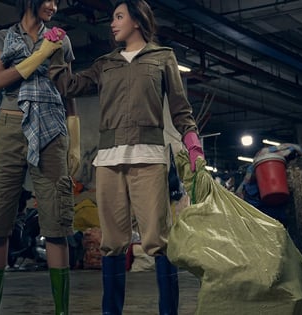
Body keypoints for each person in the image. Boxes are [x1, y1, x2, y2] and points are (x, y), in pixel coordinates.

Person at [49, 1, 204, 314]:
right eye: (112, 18)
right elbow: (67, 85)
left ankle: (168, 311)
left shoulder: (163, 58)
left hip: (149, 159)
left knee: (157, 241)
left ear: (137, 19)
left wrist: (194, 146)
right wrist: (56, 52)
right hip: (108, 162)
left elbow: (179, 108)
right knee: (113, 243)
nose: (112, 23)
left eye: (119, 17)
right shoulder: (105, 63)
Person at [0, 1, 79, 314]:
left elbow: (68, 89)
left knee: (56, 219)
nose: (53, 5)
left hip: (51, 125)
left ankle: (62, 310)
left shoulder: (61, 39)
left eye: (57, 1)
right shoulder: (2, 38)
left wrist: (75, 139)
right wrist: (39, 56)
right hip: (9, 125)